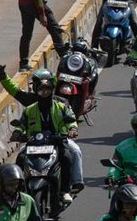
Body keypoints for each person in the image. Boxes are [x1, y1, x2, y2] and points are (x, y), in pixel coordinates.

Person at [11, 71, 83, 201]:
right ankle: (18, 192)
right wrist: (17, 133)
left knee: (68, 156)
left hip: (58, 141)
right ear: (36, 90)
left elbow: (71, 120)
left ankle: (66, 190)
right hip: (35, 143)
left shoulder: (61, 105)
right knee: (20, 159)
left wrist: (72, 129)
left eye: (47, 89)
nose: (44, 92)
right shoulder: (29, 109)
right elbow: (21, 124)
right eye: (41, 90)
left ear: (52, 89)